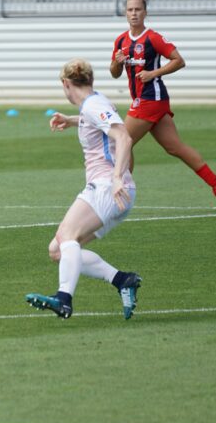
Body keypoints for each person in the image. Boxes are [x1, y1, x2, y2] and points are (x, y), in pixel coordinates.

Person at [25, 59, 142, 320]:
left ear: (66, 84)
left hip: (107, 188)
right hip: (110, 191)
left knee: (67, 234)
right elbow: (96, 121)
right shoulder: (92, 104)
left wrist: (116, 178)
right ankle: (123, 280)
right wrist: (71, 120)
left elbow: (124, 137)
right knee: (58, 249)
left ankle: (63, 299)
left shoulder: (94, 105)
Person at [110, 0, 216, 208]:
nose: (134, 13)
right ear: (125, 13)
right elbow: (114, 73)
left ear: (145, 12)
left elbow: (179, 60)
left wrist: (153, 73)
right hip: (148, 100)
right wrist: (118, 63)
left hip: (151, 98)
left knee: (121, 141)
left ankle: (123, 190)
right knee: (175, 147)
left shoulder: (153, 38)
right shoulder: (121, 40)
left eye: (138, 9)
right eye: (130, 10)